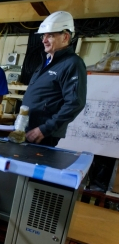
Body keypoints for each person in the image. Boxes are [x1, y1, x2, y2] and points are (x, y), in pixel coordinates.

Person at [22, 11, 87, 147]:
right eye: (43, 36)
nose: (44, 40)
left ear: (65, 37)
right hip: (28, 128)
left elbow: (75, 103)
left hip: (43, 133)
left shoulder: (72, 63)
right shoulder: (46, 62)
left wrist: (46, 128)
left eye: (50, 35)